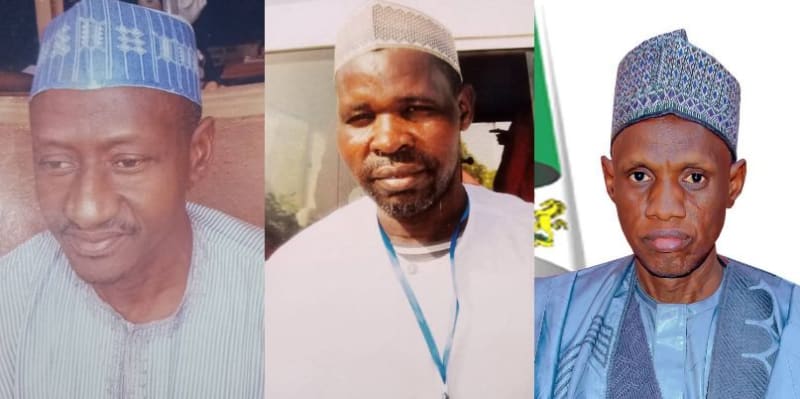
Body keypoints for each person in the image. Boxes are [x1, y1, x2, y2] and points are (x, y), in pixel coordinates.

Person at [265, 1, 533, 398]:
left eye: (415, 109)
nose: (388, 140)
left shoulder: (533, 243)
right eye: (360, 117)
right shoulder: (293, 276)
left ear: (463, 109)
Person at [0, 0, 264, 397]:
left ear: (198, 154)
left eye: (127, 162)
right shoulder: (11, 298)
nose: (87, 210)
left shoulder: (276, 293)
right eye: (55, 163)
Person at [535, 29, 800, 398]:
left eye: (694, 177)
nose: (664, 208)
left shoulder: (792, 321)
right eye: (640, 176)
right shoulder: (546, 314)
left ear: (733, 184)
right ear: (611, 181)